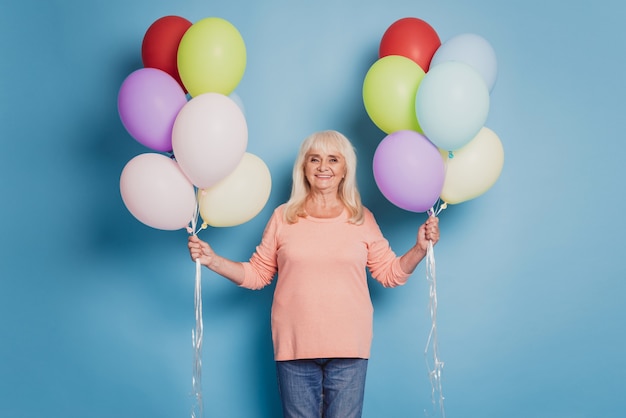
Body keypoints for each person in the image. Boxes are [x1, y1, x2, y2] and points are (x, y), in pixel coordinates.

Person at [188, 130, 440, 418]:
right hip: (294, 346)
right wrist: (212, 260)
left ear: (345, 169)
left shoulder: (361, 218)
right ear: (303, 167)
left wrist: (420, 248)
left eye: (333, 159)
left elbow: (390, 273)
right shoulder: (283, 217)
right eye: (314, 159)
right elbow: (258, 273)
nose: (323, 167)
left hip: (349, 347)